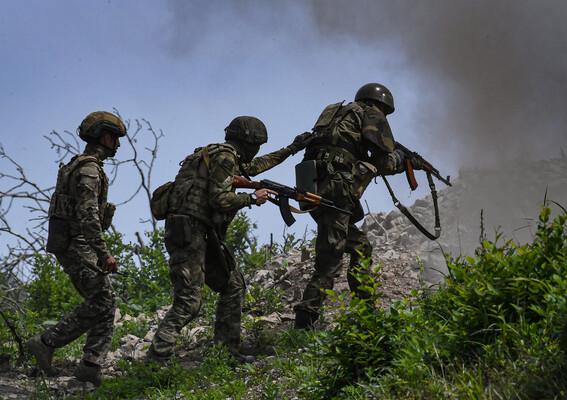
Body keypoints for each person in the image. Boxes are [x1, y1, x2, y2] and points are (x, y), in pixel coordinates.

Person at [147, 116, 311, 363]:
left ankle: (227, 352)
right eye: (257, 145)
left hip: (199, 231)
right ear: (248, 142)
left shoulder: (217, 155)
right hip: (189, 231)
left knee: (232, 285)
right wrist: (252, 198)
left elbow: (254, 167)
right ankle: (155, 360)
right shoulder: (224, 157)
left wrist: (292, 149)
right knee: (189, 301)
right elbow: (220, 199)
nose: (257, 151)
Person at [293, 83, 420, 329]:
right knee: (329, 261)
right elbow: (384, 162)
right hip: (336, 191)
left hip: (314, 186)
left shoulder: (336, 114)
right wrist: (402, 159)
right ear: (381, 105)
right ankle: (303, 324)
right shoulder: (371, 114)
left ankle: (366, 312)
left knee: (361, 247)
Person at [27, 111, 126, 386]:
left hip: (74, 242)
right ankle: (47, 342)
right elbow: (88, 215)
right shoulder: (89, 169)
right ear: (105, 137)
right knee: (103, 300)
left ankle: (90, 365)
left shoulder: (81, 165)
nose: (117, 145)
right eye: (115, 139)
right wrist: (104, 252)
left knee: (104, 302)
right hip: (77, 243)